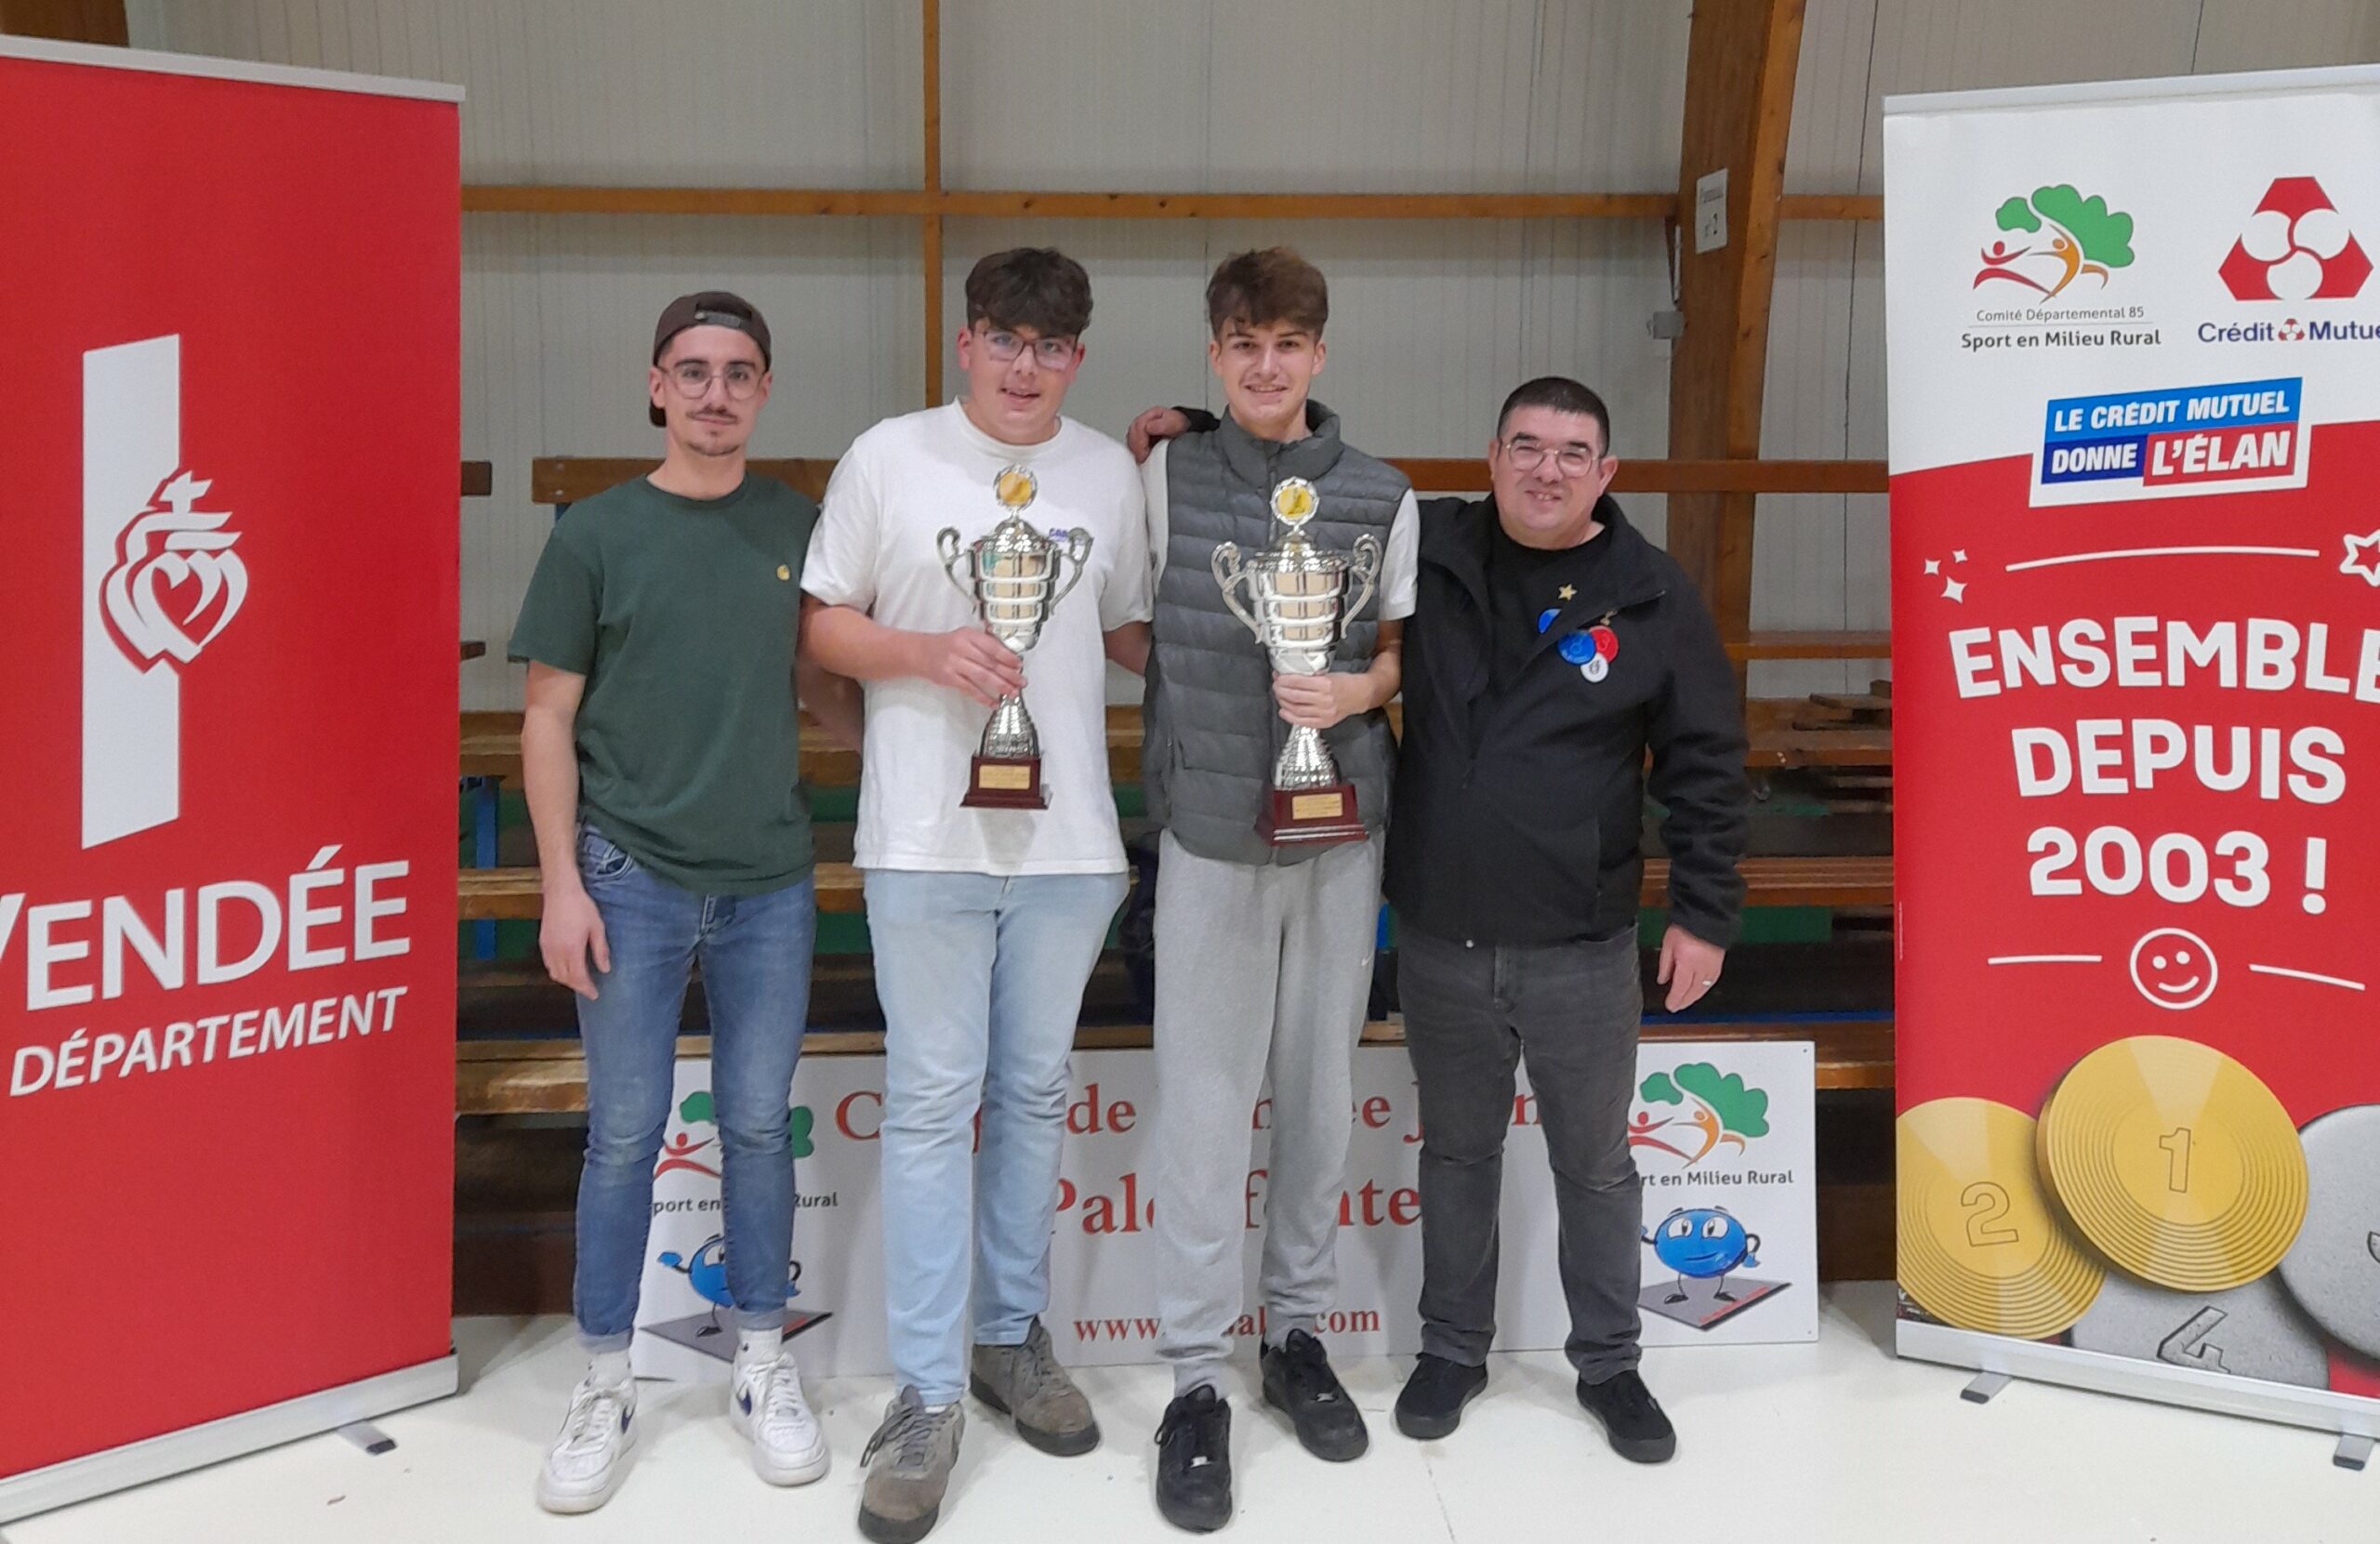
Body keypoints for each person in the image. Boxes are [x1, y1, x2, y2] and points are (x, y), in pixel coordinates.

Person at [800, 247, 1152, 1544]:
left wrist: (1294, 657)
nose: (1024, 366)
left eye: (1051, 347)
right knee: (936, 1099)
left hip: (1067, 847)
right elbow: (824, 622)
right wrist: (919, 652)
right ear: (966, 342)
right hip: (925, 838)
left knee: (1039, 1094)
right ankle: (930, 1394)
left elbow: (1122, 627)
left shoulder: (1110, 471)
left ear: (1079, 357)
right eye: (1005, 339)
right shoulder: (889, 455)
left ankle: (1009, 1338)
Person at [509, 291, 862, 1513]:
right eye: (694, 372)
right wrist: (561, 885)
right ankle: (604, 1376)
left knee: (760, 1126)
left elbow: (826, 688)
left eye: (741, 372)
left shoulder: (798, 528)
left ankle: (760, 1354)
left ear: (766, 390)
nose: (717, 392)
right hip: (629, 881)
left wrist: (937, 737)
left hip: (768, 880)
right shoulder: (595, 534)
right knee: (623, 1136)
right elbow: (545, 715)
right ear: (657, 385)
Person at [1382, 376, 1749, 1461]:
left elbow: (1705, 763)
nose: (1547, 469)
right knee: (1455, 1153)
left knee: (1595, 1165)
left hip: (1581, 941)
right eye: (1527, 447)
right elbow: (1305, 490)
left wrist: (1704, 912)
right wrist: (1198, 433)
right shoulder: (1430, 550)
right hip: (1441, 931)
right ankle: (1451, 1348)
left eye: (1571, 452)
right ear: (1489, 455)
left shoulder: (1650, 594)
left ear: (1606, 472)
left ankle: (1611, 1363)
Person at [1114, 246, 1418, 1533]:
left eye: (1287, 341)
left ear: (1321, 355)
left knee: (1318, 1093)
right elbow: (1129, 626)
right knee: (1200, 1103)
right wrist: (1200, 702)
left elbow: (1398, 646)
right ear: (1214, 350)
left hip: (1340, 834)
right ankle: (1196, 1377)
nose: (1264, 362)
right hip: (1211, 836)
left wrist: (1352, 691)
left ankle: (1296, 1335)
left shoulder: (1383, 492)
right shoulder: (1165, 475)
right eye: (1243, 340)